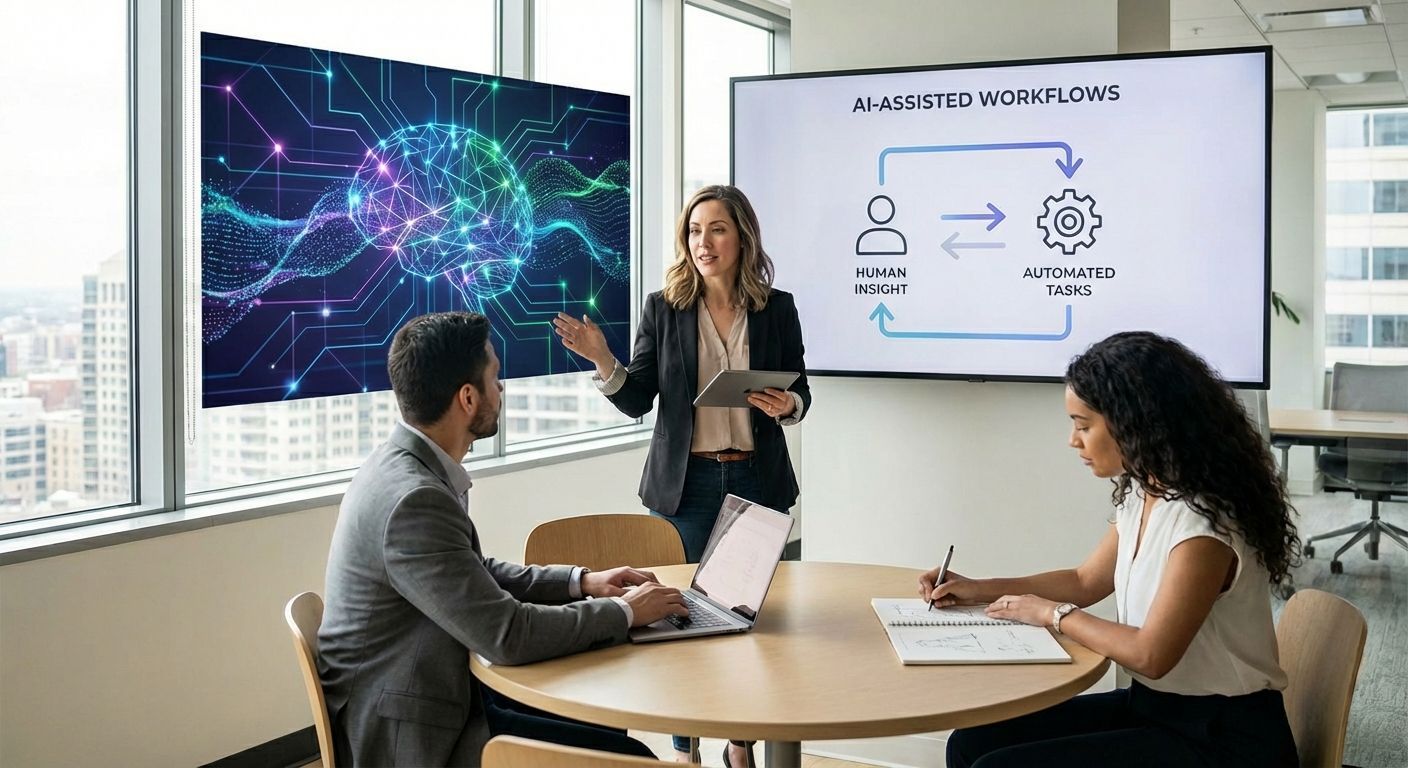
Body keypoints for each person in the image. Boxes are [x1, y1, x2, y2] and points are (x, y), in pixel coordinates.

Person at [318, 311, 689, 768]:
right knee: (634, 759)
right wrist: (626, 611)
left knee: (602, 716)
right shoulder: (414, 500)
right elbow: (508, 636)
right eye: (495, 379)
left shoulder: (404, 464)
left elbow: (472, 571)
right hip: (410, 730)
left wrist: (583, 582)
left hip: (428, 690)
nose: (502, 390)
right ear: (467, 398)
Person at [922, 331, 1300, 768]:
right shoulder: (1145, 490)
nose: (1073, 440)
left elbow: (1151, 655)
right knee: (971, 742)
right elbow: (1085, 581)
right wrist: (976, 588)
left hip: (1225, 739)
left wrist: (1053, 614)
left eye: (1084, 425)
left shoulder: (1204, 526)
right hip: (1154, 708)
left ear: (1135, 422)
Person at [553, 184, 810, 766]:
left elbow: (801, 391)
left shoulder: (777, 308)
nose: (703, 242)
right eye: (694, 231)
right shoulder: (663, 308)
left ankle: (740, 743)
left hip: (755, 480)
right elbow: (637, 398)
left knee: (748, 621)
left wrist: (787, 405)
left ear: (742, 237)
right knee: (676, 617)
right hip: (684, 486)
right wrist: (603, 359)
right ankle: (684, 750)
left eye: (717, 229)